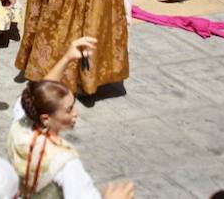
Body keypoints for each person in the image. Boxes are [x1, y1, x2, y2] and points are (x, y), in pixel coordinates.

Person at [9, 39, 134, 198]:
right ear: (46, 118)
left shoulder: (20, 127)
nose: (76, 113)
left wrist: (67, 58)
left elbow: (40, 92)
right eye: (68, 110)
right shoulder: (64, 162)